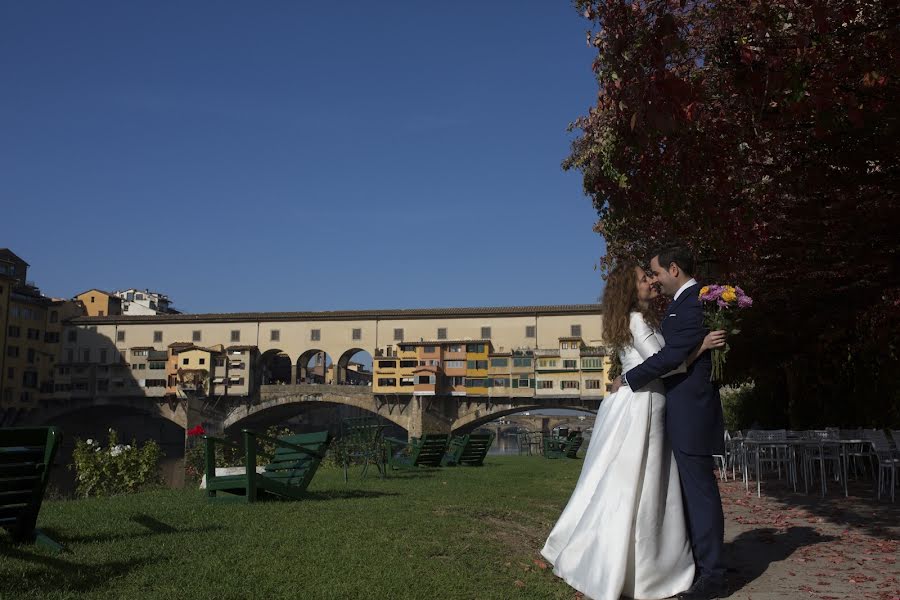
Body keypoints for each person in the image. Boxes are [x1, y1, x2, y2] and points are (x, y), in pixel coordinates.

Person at [541, 259, 725, 600]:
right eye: (644, 279)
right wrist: (701, 346)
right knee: (638, 482)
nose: (651, 283)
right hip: (644, 403)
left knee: (629, 480)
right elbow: (662, 363)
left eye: (650, 277)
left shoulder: (640, 319)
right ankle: (641, 563)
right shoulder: (639, 320)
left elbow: (656, 359)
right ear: (630, 288)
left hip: (639, 400)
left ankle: (624, 560)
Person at [621, 244, 728, 599]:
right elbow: (681, 352)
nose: (654, 280)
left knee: (699, 495)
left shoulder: (691, 302)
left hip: (690, 412)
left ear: (674, 270)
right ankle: (704, 567)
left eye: (655, 272)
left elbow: (670, 356)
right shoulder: (687, 304)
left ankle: (712, 575)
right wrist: (699, 348)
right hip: (685, 410)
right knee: (692, 494)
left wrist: (629, 378)